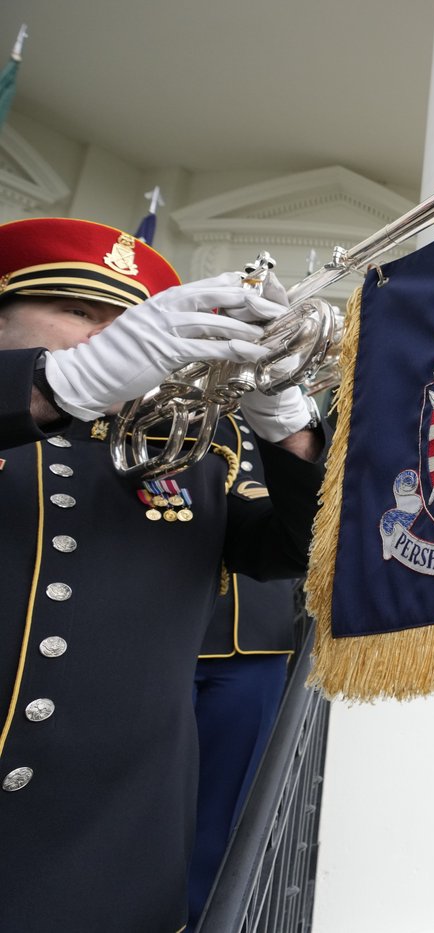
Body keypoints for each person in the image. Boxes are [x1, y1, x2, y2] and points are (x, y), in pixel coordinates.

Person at [0, 218, 323, 932]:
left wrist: (290, 429)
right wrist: (51, 388)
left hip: (113, 862)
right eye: (77, 310)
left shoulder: (182, 455)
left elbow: (298, 551)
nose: (104, 336)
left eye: (126, 322)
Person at [186, 411, 303, 923]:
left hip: (256, 642)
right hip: (173, 635)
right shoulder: (163, 408)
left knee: (223, 815)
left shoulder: (283, 424)